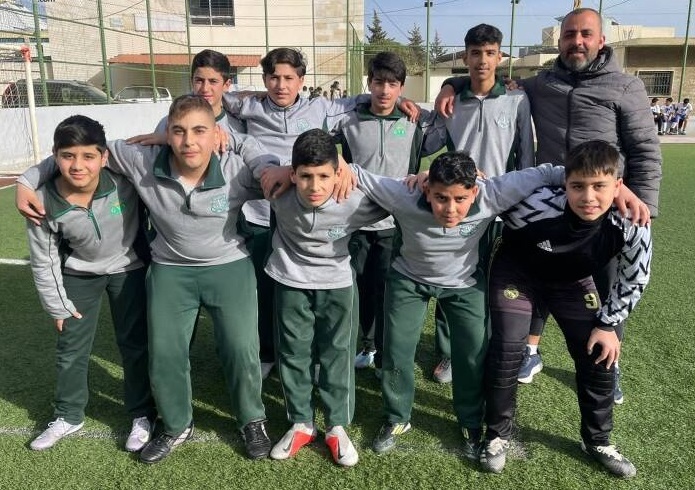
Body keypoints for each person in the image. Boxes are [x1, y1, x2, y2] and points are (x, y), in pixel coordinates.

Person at [17, 95, 278, 463]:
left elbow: (281, 174)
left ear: (215, 134)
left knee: (240, 348)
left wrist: (264, 161)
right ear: (167, 133)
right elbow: (79, 151)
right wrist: (26, 182)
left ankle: (252, 419)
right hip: (170, 269)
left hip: (228, 265)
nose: (189, 141)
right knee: (165, 353)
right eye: (179, 131)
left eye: (199, 131)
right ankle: (175, 424)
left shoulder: (235, 169)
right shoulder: (141, 160)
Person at [437, 7, 661, 394]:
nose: (577, 41)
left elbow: (644, 150)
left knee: (606, 286)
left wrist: (641, 207)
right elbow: (485, 75)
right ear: (559, 42)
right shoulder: (542, 83)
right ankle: (530, 350)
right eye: (570, 35)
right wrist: (449, 84)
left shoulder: (626, 86)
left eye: (586, 34)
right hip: (550, 206)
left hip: (605, 204)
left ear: (601, 40)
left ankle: (608, 364)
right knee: (539, 272)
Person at [353, 152, 570, 460]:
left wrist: (617, 188)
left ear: (475, 192)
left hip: (464, 284)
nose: (450, 209)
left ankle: (470, 421)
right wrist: (286, 171)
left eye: (460, 199)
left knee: (472, 355)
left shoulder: (493, 193)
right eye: (441, 198)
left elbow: (547, 172)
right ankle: (397, 417)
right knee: (397, 349)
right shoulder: (403, 194)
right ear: (427, 189)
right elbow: (354, 172)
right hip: (409, 280)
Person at [221, 47, 417, 380]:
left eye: (289, 78)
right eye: (273, 78)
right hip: (261, 212)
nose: (281, 85)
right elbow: (216, 95)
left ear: (302, 80)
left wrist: (407, 99)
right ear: (264, 79)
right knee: (267, 289)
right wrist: (247, 96)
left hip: (309, 211)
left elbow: (369, 98)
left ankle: (315, 356)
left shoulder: (321, 107)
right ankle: (268, 352)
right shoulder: (249, 105)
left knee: (312, 287)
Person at [480, 141, 651, 479]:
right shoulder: (534, 205)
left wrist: (608, 324)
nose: (588, 197)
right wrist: (430, 177)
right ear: (564, 183)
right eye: (578, 186)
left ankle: (597, 441)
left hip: (571, 282)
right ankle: (497, 434)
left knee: (599, 352)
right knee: (509, 348)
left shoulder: (632, 220)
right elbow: (480, 192)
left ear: (618, 186)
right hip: (518, 275)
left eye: (600, 186)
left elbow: (635, 277)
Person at [22, 115, 156, 453]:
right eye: (67, 156)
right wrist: (56, 305)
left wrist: (167, 136)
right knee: (71, 348)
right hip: (79, 275)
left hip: (129, 269)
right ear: (55, 157)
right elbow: (44, 259)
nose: (78, 165)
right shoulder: (42, 201)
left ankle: (142, 414)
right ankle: (68, 415)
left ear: (104, 157)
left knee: (135, 344)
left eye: (88, 156)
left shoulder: (124, 182)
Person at [265, 129, 387, 467]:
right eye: (305, 176)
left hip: (337, 285)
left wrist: (355, 171)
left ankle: (336, 426)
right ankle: (301, 422)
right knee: (293, 352)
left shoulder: (353, 200)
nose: (315, 186)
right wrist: (274, 167)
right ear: (293, 174)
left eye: (323, 176)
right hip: (290, 283)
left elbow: (397, 195)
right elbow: (249, 163)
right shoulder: (278, 191)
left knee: (338, 353)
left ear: (337, 173)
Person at [425, 23, 536, 383]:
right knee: (452, 278)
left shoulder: (517, 99)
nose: (482, 60)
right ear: (465, 57)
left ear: (500, 57)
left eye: (490, 53)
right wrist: (438, 96)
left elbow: (526, 157)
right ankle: (449, 353)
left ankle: (488, 348)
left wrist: (522, 204)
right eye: (475, 53)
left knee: (493, 284)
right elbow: (427, 145)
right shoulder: (452, 101)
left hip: (499, 209)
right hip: (458, 209)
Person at [330, 51, 444, 377]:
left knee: (390, 292)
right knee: (358, 290)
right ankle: (365, 346)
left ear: (401, 88)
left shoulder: (414, 121)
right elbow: (318, 135)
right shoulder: (348, 120)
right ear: (369, 83)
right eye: (378, 82)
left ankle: (383, 353)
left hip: (397, 224)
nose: (384, 90)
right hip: (355, 222)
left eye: (393, 84)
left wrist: (442, 90)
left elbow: (448, 117)